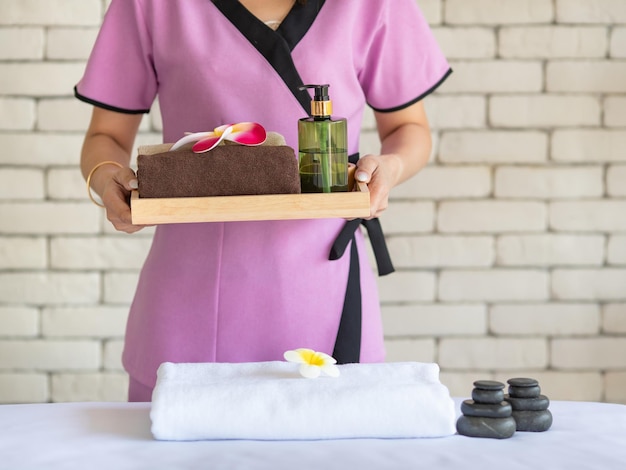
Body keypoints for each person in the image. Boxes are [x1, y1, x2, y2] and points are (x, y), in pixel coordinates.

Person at [76, 0, 451, 401]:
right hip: (191, 291)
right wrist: (105, 178)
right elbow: (106, 137)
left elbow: (409, 129)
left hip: (323, 280)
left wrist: (388, 168)